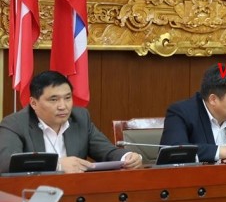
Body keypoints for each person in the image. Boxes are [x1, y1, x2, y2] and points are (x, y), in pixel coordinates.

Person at [0, 71, 143, 173]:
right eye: (54, 99)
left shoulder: (80, 118)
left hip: (76, 193)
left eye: (67, 98)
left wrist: (127, 157)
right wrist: (57, 165)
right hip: (33, 195)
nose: (63, 106)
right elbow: (6, 163)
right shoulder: (15, 124)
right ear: (34, 103)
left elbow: (106, 151)